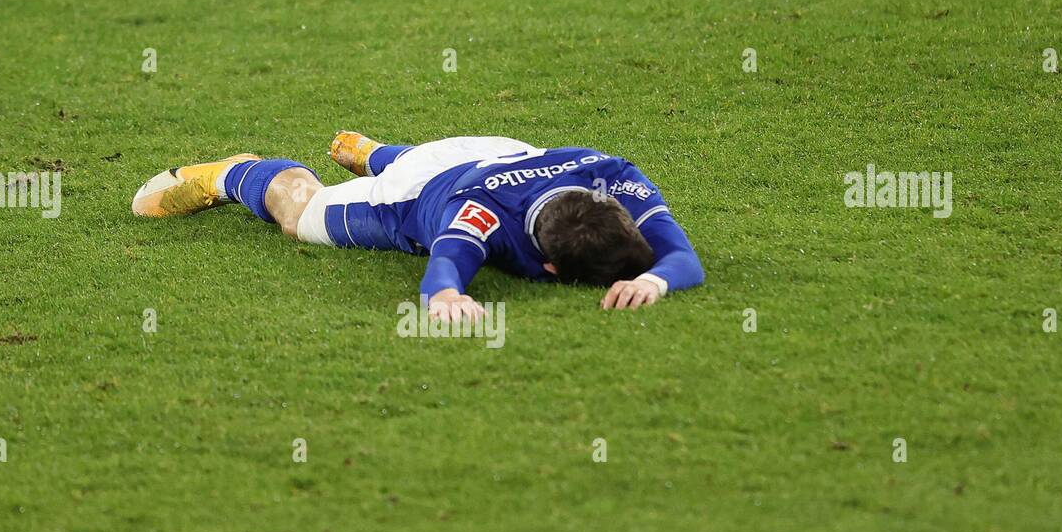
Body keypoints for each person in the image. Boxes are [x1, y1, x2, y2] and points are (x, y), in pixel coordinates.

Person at [132, 133, 703, 320]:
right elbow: (445, 266)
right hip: (419, 191)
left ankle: (376, 151)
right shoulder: (476, 219)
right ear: (548, 268)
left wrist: (655, 279)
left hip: (488, 150)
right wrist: (447, 296)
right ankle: (239, 175)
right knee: (300, 215)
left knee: (422, 161)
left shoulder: (610, 176)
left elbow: (684, 260)